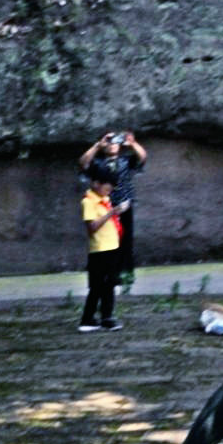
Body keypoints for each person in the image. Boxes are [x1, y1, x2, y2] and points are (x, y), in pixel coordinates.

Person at [78, 128, 148, 285]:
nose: (112, 145)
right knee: (106, 241)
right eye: (109, 142)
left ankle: (126, 274)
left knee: (126, 240)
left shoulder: (126, 161)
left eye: (115, 142)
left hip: (124, 205)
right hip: (104, 207)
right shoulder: (98, 163)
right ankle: (108, 274)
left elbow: (142, 157)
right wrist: (98, 145)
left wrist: (132, 143)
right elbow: (83, 163)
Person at [78, 162, 125, 331]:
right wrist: (111, 213)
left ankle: (107, 317)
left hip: (112, 247)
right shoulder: (88, 201)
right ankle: (87, 318)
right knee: (97, 286)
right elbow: (92, 227)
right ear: (96, 183)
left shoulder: (105, 199)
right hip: (99, 249)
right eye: (107, 186)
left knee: (110, 284)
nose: (110, 190)